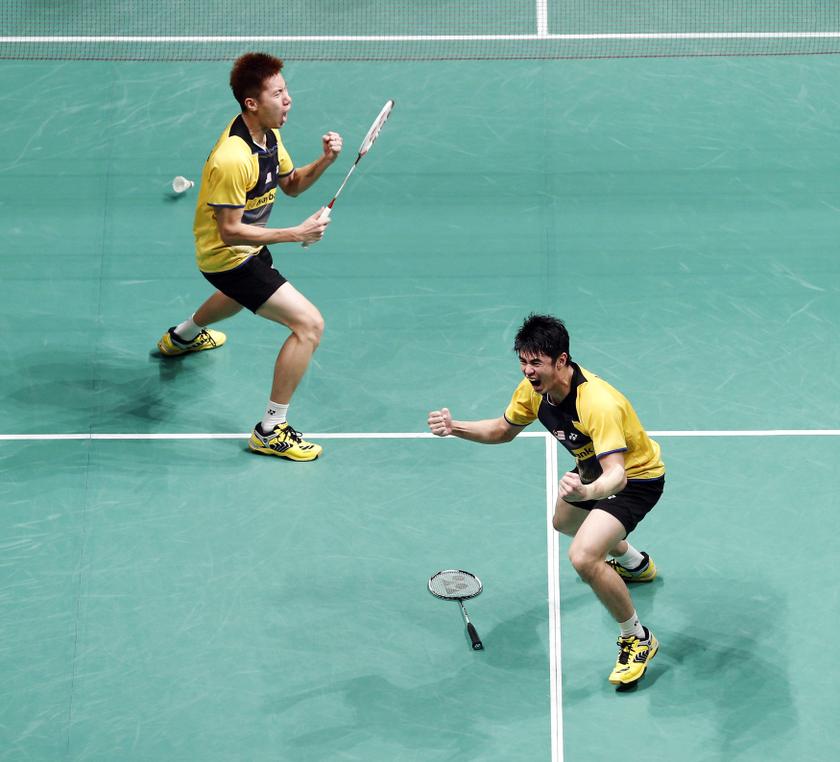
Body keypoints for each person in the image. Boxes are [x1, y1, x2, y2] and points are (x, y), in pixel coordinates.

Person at [428, 314, 665, 688]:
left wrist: (587, 493)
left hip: (636, 479)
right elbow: (502, 431)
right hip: (590, 474)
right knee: (565, 523)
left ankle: (638, 638)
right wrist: (455, 427)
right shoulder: (533, 392)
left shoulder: (597, 403)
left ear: (562, 360)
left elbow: (616, 474)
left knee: (584, 556)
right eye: (523, 361)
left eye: (536, 362)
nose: (528, 371)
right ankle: (635, 564)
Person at [156, 52, 342, 462]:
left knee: (243, 297)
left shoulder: (268, 137)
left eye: (286, 89)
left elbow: (291, 185)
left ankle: (181, 337)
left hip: (248, 250)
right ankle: (270, 429)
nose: (288, 99)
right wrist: (296, 234)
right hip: (228, 257)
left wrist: (326, 161)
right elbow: (230, 230)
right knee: (309, 326)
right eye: (278, 93)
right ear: (251, 103)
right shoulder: (233, 157)